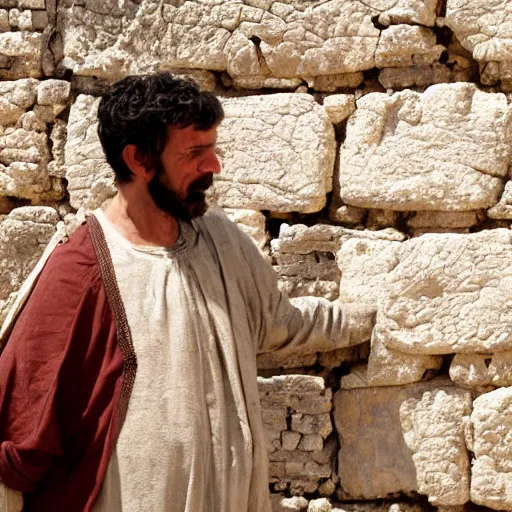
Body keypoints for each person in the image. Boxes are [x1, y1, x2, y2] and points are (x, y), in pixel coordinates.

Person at [0, 73, 376, 512]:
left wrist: (372, 321)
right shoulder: (80, 272)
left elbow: (279, 322)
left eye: (213, 148)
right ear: (139, 160)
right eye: (195, 153)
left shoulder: (220, 238)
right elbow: (18, 434)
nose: (214, 165)